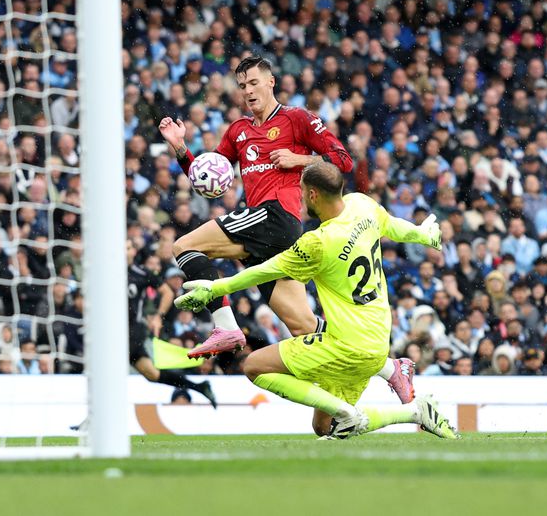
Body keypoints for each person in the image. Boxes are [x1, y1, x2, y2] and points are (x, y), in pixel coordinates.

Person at [174, 163, 457, 439]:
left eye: (301, 190)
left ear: (313, 194)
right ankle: (413, 411)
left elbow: (266, 270)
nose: (299, 197)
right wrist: (422, 234)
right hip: (378, 342)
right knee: (324, 427)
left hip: (346, 346)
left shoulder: (319, 241)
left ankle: (359, 411)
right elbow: (393, 227)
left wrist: (216, 287)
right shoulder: (362, 205)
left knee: (254, 366)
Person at [158, 56, 359, 355]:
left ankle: (226, 327)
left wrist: (299, 159)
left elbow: (344, 160)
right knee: (303, 325)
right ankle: (386, 366)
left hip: (276, 216)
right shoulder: (238, 130)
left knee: (184, 247)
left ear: (271, 82)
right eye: (242, 86)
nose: (248, 91)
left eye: (254, 83)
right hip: (268, 235)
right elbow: (206, 177)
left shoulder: (297, 118)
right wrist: (180, 148)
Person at [127, 243, 216, 406]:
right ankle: (200, 387)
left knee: (108, 368)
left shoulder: (141, 273)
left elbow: (167, 292)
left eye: (128, 248)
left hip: (131, 332)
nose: (125, 252)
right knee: (152, 374)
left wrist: (158, 316)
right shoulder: (108, 274)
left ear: (134, 252)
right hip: (117, 333)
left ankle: (99, 414)